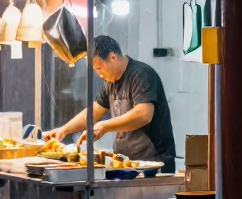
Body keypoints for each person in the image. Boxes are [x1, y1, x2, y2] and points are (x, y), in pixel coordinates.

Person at [46, 35, 176, 171]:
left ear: (112, 57)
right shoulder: (110, 82)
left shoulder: (142, 74)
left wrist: (104, 126)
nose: (98, 73)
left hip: (154, 163)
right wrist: (64, 130)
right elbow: (93, 113)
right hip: (125, 162)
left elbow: (143, 115)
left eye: (99, 68)